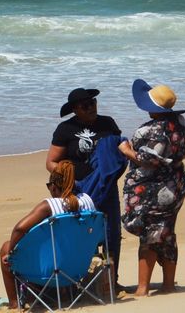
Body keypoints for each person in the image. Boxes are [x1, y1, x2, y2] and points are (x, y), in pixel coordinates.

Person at [120, 79, 185, 297]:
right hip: (175, 184)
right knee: (167, 233)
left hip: (153, 189)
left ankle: (143, 288)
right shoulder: (180, 122)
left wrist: (125, 149)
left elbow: (144, 159)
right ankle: (168, 285)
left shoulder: (148, 131)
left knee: (149, 236)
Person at [45, 87, 123, 283]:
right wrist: (69, 175)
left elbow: (119, 151)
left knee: (111, 234)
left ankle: (111, 280)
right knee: (80, 233)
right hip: (78, 188)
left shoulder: (107, 123)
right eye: (85, 105)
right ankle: (78, 280)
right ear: (75, 109)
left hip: (106, 187)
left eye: (93, 103)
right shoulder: (66, 129)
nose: (91, 108)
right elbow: (51, 163)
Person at [0, 160, 96, 309]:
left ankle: (13, 303)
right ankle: (63, 293)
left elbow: (19, 229)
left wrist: (10, 251)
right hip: (78, 269)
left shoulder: (50, 206)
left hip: (52, 271)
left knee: (5, 248)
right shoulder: (88, 201)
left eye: (49, 186)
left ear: (54, 186)